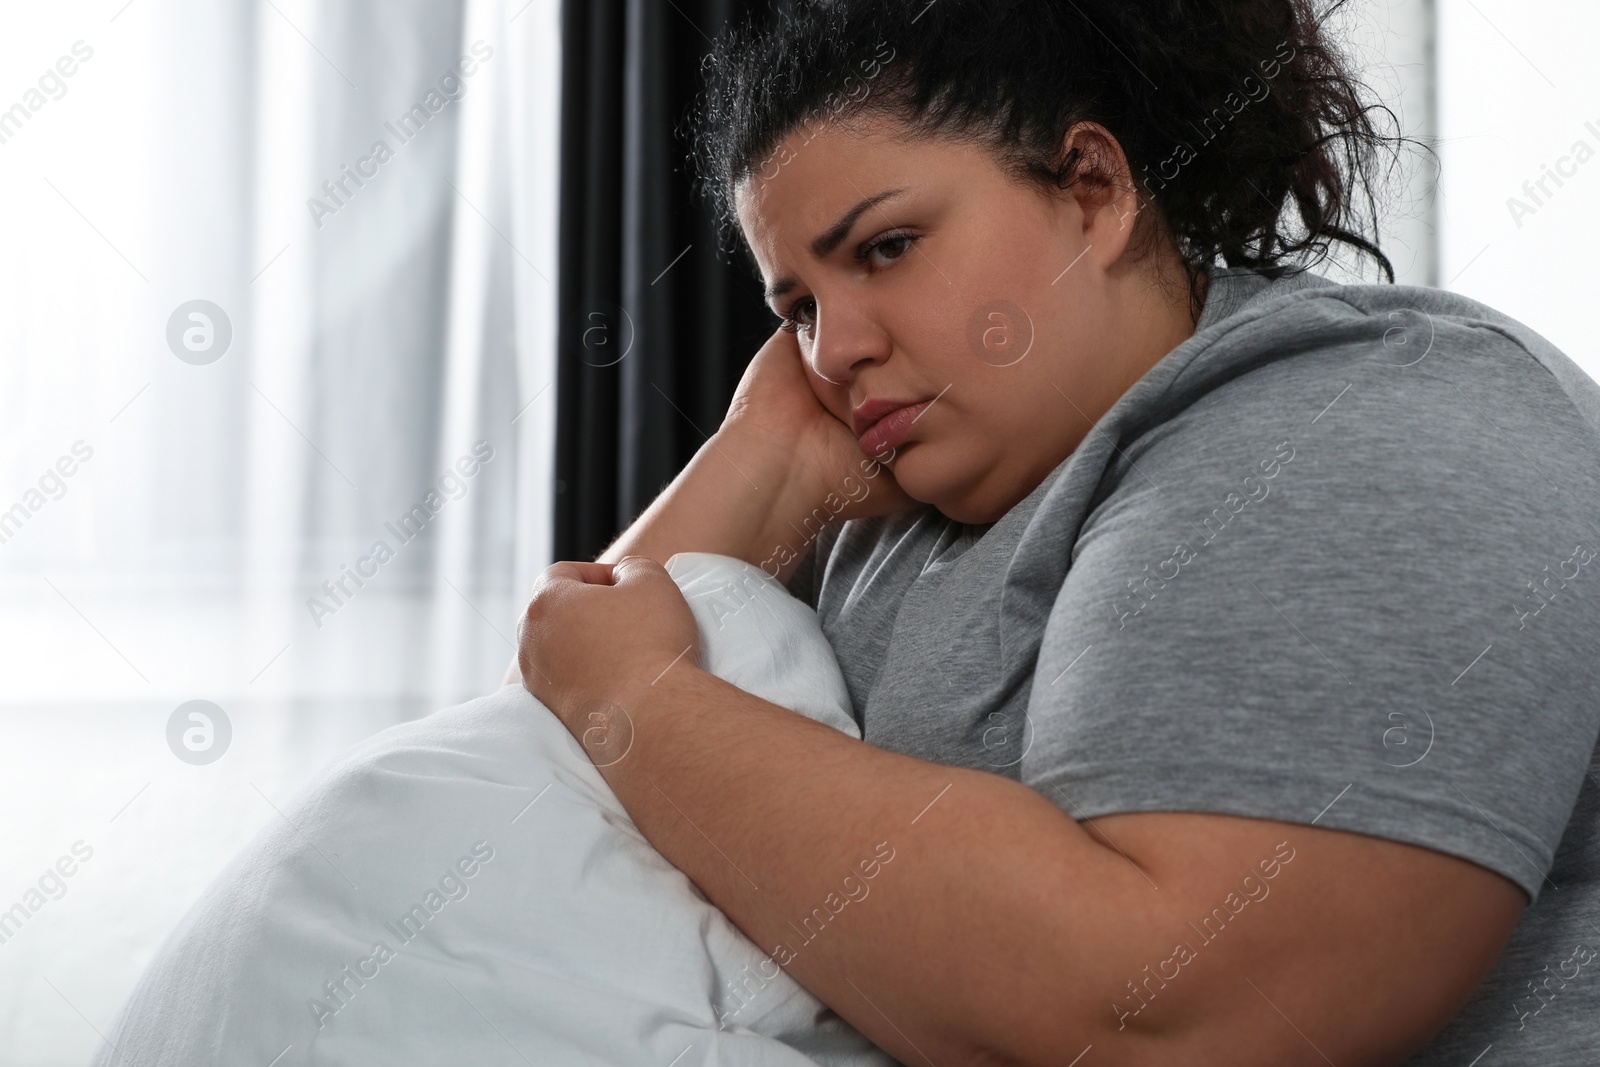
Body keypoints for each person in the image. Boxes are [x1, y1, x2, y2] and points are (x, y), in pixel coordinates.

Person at [510, 1, 1600, 1063]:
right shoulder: (892, 514)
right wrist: (764, 456)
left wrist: (642, 702)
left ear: (1095, 188)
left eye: (887, 247)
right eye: (795, 308)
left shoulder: (1370, 421)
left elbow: (1170, 1015)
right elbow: (526, 821)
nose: (832, 348)